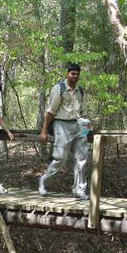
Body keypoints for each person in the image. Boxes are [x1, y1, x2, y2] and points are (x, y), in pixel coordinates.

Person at [39, 63, 89, 200]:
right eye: (73, 73)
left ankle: (79, 190)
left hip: (79, 126)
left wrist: (86, 123)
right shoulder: (59, 89)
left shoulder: (81, 90)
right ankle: (44, 181)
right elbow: (50, 112)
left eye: (77, 74)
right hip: (61, 125)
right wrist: (44, 131)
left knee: (82, 159)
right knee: (60, 158)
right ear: (67, 74)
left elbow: (82, 111)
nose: (75, 76)